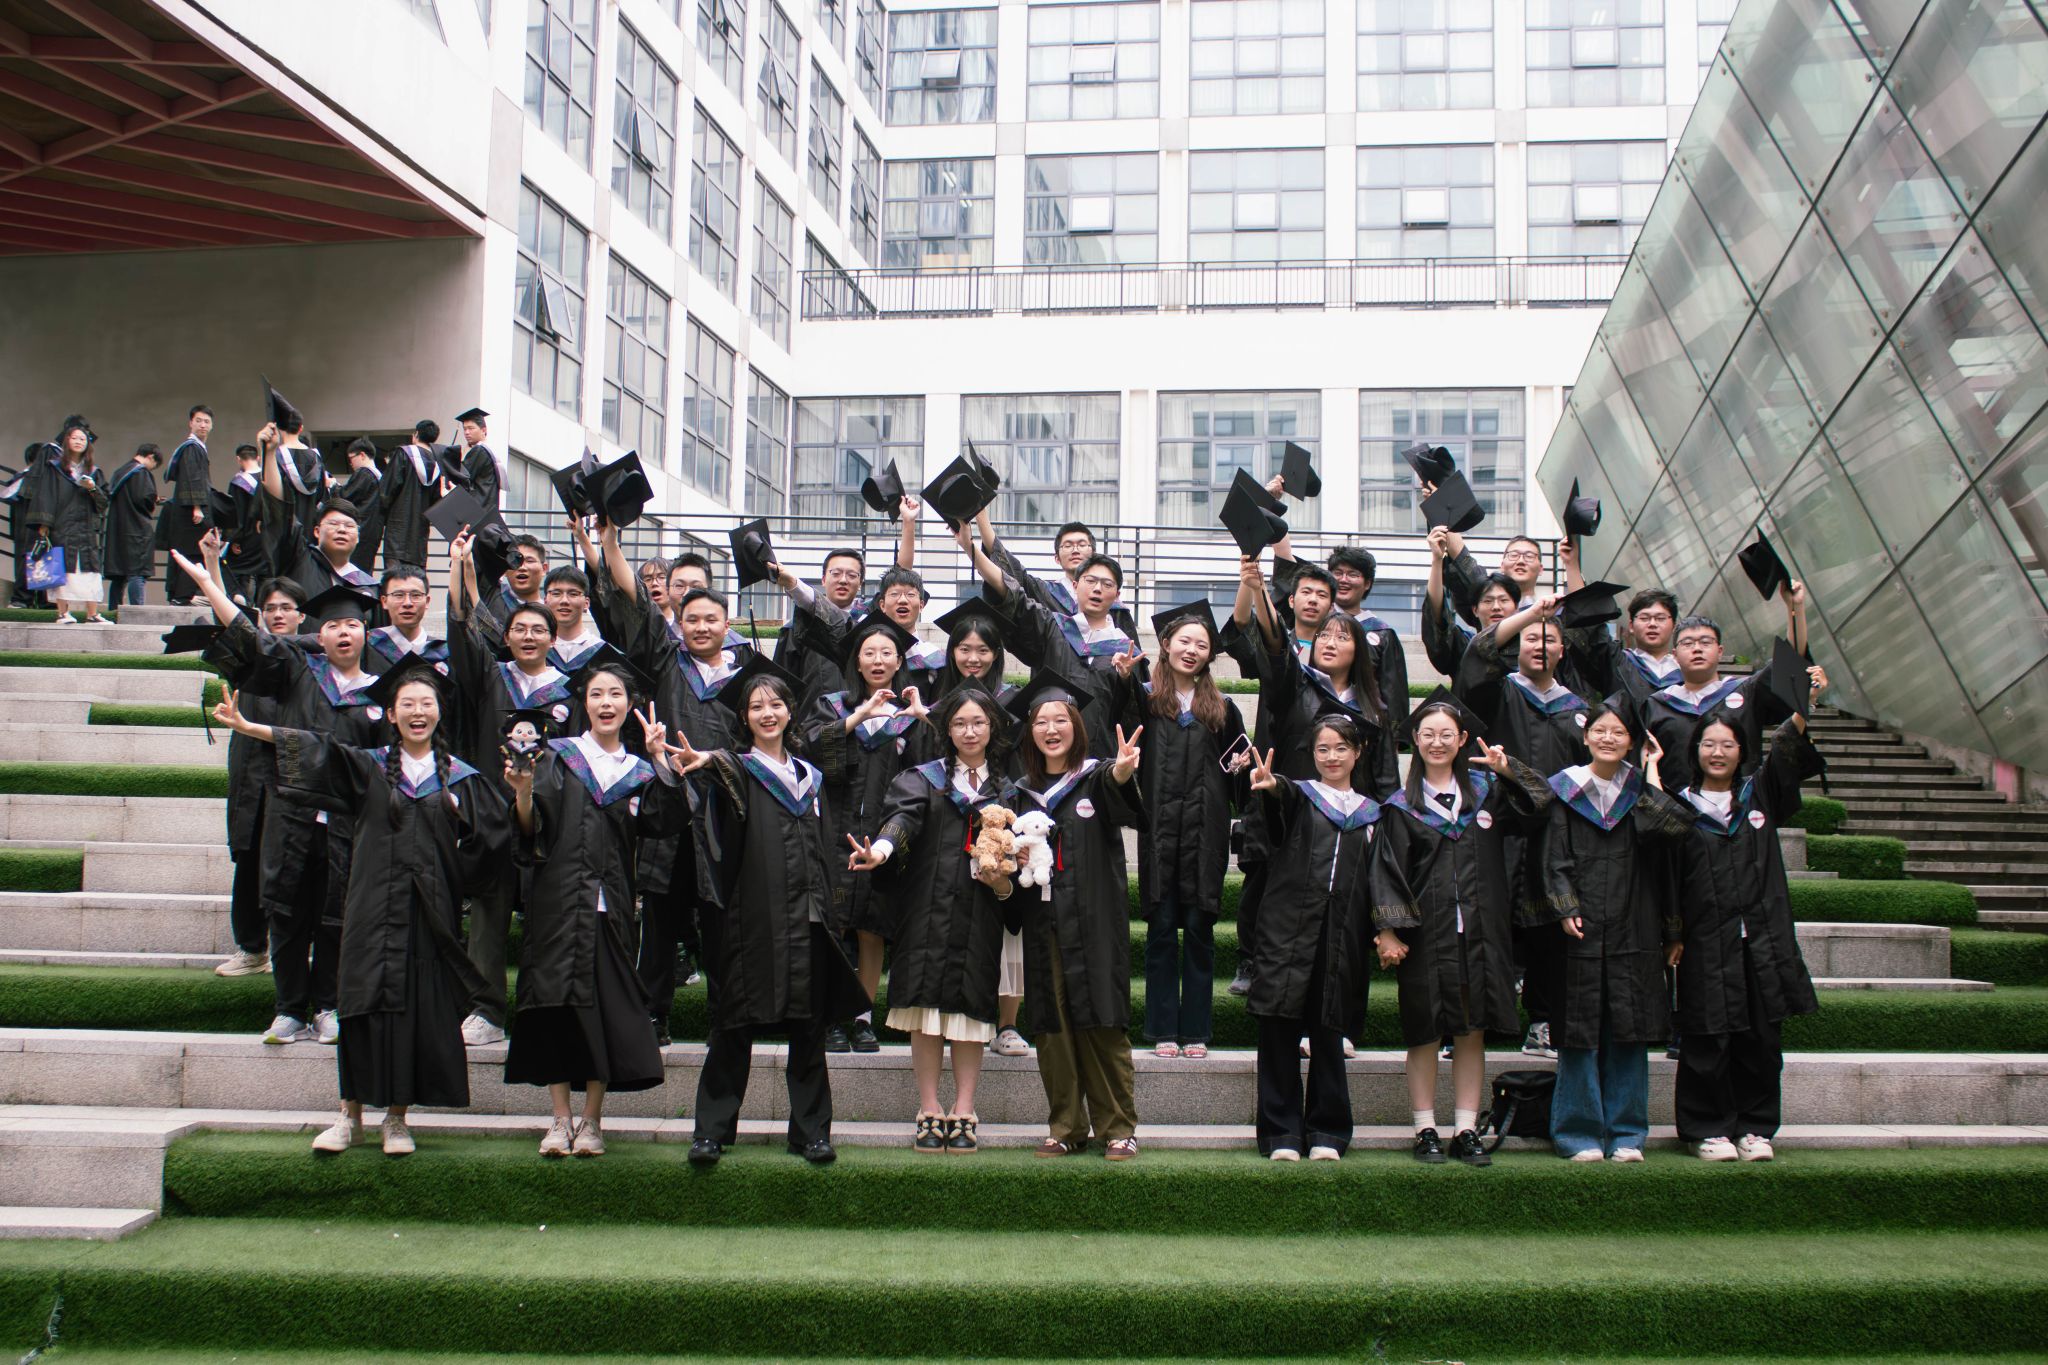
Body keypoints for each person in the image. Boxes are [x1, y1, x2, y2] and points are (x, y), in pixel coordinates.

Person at [211, 660, 505, 1156]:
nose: (417, 712)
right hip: (370, 908)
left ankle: (396, 1118)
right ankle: (349, 1115)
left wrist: (460, 836)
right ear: (390, 714)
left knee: (413, 1010)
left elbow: (493, 844)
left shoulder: (460, 779)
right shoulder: (367, 767)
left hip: (428, 916)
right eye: (407, 704)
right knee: (361, 1005)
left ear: (440, 712)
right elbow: (314, 749)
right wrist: (250, 728)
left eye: (427, 703)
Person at [172, 544, 385, 1049]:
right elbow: (251, 638)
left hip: (346, 823)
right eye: (332, 626)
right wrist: (210, 586)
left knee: (336, 917)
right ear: (319, 635)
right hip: (291, 815)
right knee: (287, 913)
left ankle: (328, 1006)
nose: (343, 633)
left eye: (352, 625)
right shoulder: (297, 672)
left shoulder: (382, 693)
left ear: (365, 633)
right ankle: (289, 1009)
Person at [678, 659, 869, 1168]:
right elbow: (717, 770)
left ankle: (811, 1132)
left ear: (789, 713)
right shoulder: (738, 771)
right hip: (751, 918)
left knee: (808, 1029)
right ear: (744, 717)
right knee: (734, 1024)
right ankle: (711, 1131)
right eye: (757, 706)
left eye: (776, 704)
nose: (768, 713)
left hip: (808, 916)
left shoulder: (809, 777)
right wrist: (703, 759)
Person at [503, 655, 685, 1157]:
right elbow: (530, 828)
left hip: (612, 906)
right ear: (584, 703)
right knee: (556, 1007)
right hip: (558, 903)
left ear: (630, 706)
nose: (606, 703)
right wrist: (522, 793)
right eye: (597, 694)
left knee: (605, 1009)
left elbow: (665, 821)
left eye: (616, 695)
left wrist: (661, 759)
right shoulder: (558, 757)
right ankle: (559, 1119)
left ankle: (591, 1121)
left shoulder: (638, 771)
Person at [1371, 694, 1555, 1167]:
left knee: (1472, 1031)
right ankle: (1425, 1128)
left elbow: (1541, 806)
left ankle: (1467, 1128)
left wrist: (1509, 770)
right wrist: (1388, 931)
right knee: (1425, 1032)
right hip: (1427, 936)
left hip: (1481, 933)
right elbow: (1387, 873)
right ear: (1415, 741)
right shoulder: (1401, 807)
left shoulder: (1489, 793)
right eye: (1428, 735)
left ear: (1463, 740)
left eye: (1446, 735)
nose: (1437, 743)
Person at [847, 688, 1013, 1152]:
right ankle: (929, 1108)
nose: (969, 731)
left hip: (980, 915)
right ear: (946, 730)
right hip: (925, 909)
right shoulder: (922, 779)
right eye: (959, 723)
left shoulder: (1008, 791)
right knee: (924, 1012)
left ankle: (964, 1108)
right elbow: (901, 820)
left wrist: (1003, 881)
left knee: (970, 1011)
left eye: (978, 722)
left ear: (992, 728)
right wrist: (881, 851)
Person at [1674, 676, 1827, 1163]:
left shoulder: (1758, 796)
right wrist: (1672, 933)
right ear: (1695, 750)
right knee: (1707, 1035)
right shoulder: (1678, 807)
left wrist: (1805, 703)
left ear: (1742, 751)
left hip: (1761, 938)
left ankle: (1756, 1128)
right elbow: (1665, 878)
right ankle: (1707, 1129)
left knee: (1762, 1036)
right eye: (1708, 744)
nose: (1717, 752)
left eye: (1728, 744)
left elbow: (1785, 750)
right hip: (1705, 938)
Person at [1540, 695, 1693, 1163]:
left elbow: (1672, 834)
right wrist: (1564, 905)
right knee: (1579, 1030)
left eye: (1619, 732)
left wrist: (1651, 770)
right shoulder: (1565, 790)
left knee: (1629, 1029)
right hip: (1581, 926)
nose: (1608, 738)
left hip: (1635, 925)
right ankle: (1578, 1133)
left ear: (1632, 742)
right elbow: (1553, 855)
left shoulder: (1641, 793)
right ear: (1585, 736)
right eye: (1600, 731)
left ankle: (1627, 1133)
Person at [446, 530, 579, 1046]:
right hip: (492, 813)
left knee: (546, 916)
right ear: (506, 637)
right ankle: (486, 1010)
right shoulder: (491, 678)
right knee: (488, 912)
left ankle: (538, 1007)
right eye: (519, 629)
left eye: (538, 630)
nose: (528, 636)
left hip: (547, 818)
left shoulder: (570, 693)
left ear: (552, 639)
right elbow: (463, 631)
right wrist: (460, 569)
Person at [1009, 681, 1146, 1160]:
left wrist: (1123, 772)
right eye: (1041, 722)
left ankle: (1118, 1127)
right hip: (1043, 921)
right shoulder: (1019, 794)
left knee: (1102, 1018)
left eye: (1060, 720)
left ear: (1077, 727)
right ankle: (1066, 1126)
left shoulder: (1096, 778)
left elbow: (1121, 797)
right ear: (1030, 731)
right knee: (1051, 1024)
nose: (1051, 729)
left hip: (1094, 922)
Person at [1451, 592, 1587, 1060]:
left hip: (1555, 830)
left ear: (1562, 650)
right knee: (1490, 922)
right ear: (1517, 645)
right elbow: (1477, 655)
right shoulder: (1500, 691)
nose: (1540, 645)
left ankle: (1543, 1023)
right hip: (1501, 823)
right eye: (1531, 638)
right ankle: (1471, 1026)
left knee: (1551, 928)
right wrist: (1533, 613)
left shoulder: (1577, 709)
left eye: (1549, 639)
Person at [1241, 717, 1377, 1161]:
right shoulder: (1301, 796)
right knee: (1278, 1030)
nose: (1332, 757)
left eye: (1341, 748)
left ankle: (1327, 1132)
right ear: (1312, 754)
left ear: (1357, 752)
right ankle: (1280, 1133)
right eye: (1323, 749)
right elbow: (1279, 803)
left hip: (1340, 932)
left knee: (1328, 1030)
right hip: (1287, 929)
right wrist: (1271, 786)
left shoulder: (1372, 813)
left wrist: (1387, 928)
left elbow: (1382, 876)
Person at [1121, 603, 1245, 1060]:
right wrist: (1121, 679)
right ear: (1166, 645)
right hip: (1159, 830)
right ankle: (1162, 1030)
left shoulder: (1223, 709)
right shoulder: (1145, 699)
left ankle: (1195, 1030)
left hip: (1204, 833)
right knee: (1160, 929)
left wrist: (1242, 768)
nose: (1191, 650)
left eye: (1202, 645)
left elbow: (1237, 770)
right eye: (1185, 641)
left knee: (1198, 929)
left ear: (1210, 655)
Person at [802, 613, 930, 1053]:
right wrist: (858, 717)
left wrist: (921, 720)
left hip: (885, 835)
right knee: (836, 926)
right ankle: (832, 1019)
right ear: (856, 662)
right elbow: (811, 750)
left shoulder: (908, 717)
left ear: (899, 662)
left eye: (886, 653)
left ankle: (861, 1018)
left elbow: (926, 774)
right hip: (835, 833)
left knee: (873, 929)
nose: (877, 660)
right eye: (869, 653)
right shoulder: (834, 706)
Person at [928, 597, 1028, 1056]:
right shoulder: (936, 701)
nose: (973, 657)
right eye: (964, 648)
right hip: (947, 823)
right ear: (951, 652)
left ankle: (1007, 1024)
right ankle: (950, 1016)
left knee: (1007, 921)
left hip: (1000, 815)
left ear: (996, 654)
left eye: (983, 649)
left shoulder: (1011, 703)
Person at [962, 523, 1136, 754]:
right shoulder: (1052, 626)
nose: (1097, 589)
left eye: (1107, 584)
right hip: (1045, 753)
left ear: (1117, 594)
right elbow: (1012, 592)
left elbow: (1133, 713)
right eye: (1090, 581)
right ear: (1076, 586)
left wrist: (1125, 679)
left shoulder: (1124, 648)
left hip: (1099, 759)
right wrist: (970, 548)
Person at [212, 576, 306, 979]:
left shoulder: (314, 656)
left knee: (297, 857)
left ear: (302, 615)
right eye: (270, 608)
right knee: (250, 853)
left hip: (294, 764)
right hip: (252, 765)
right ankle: (252, 948)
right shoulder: (250, 654)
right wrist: (212, 569)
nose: (278, 614)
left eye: (286, 607)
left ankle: (295, 947)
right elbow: (230, 622)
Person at [1641, 594, 1808, 795]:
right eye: (1688, 643)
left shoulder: (1747, 691)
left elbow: (1790, 661)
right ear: (1675, 655)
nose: (1697, 649)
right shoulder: (1657, 705)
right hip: (1675, 809)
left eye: (1705, 642)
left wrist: (1795, 607)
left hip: (1741, 805)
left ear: (1720, 651)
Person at [977, 512, 1142, 641]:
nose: (1075, 550)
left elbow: (1134, 660)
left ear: (1094, 553)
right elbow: (1009, 568)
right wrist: (980, 513)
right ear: (1057, 558)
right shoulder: (1044, 591)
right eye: (1067, 545)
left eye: (1082, 544)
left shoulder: (1113, 605)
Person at [26, 415, 111, 624]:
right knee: (62, 569)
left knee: (90, 570)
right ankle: (62, 613)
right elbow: (46, 496)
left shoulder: (94, 472)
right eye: (74, 438)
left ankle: (92, 614)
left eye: (83, 439)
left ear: (88, 443)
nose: (79, 441)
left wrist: (92, 488)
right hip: (62, 525)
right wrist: (44, 525)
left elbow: (103, 503)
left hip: (85, 527)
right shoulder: (54, 468)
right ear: (66, 441)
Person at [1421, 527, 1520, 679]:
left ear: (1516, 608)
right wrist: (1437, 560)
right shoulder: (1465, 646)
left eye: (1504, 600)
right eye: (1488, 601)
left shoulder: (1529, 646)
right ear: (1475, 610)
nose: (1496, 607)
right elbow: (1437, 618)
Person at [157, 404, 213, 605]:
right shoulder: (191, 448)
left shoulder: (196, 447)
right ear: (190, 423)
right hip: (190, 511)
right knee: (192, 551)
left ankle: (178, 595)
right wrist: (197, 506)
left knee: (186, 551)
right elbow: (192, 477)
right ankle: (182, 596)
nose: (203, 425)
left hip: (185, 507)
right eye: (198, 421)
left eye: (207, 422)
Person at [102, 443, 162, 609]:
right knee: (137, 572)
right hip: (136, 529)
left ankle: (113, 612)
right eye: (154, 465)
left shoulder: (120, 472)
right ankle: (137, 613)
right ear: (151, 457)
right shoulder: (141, 473)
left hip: (117, 530)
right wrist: (154, 500)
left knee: (119, 575)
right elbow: (144, 498)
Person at [379, 422, 443, 575]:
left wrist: (381, 517)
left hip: (397, 530)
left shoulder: (403, 454)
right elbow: (436, 501)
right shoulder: (437, 464)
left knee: (393, 579)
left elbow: (386, 491)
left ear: (416, 435)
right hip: (419, 533)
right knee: (415, 579)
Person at [364, 566, 446, 676]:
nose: (407, 603)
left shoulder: (441, 652)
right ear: (384, 602)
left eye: (416, 595)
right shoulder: (368, 645)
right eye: (398, 595)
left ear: (427, 602)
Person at [221, 445, 270, 604]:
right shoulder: (270, 478)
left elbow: (237, 514)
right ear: (258, 458)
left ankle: (243, 604)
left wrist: (234, 539)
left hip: (248, 537)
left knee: (235, 571)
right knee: (265, 576)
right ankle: (264, 608)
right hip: (269, 537)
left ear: (238, 459)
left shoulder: (239, 483)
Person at [336, 438, 385, 576]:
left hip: (361, 530)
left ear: (362, 455)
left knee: (351, 572)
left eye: (351, 458)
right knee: (364, 573)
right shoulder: (380, 476)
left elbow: (345, 497)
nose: (350, 463)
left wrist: (333, 486)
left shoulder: (364, 473)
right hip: (373, 532)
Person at [454, 408, 502, 510]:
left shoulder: (480, 450)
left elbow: (463, 476)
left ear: (483, 430)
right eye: (465, 429)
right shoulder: (489, 448)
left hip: (478, 506)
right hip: (488, 505)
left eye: (471, 428)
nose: (467, 432)